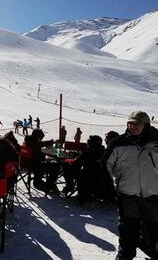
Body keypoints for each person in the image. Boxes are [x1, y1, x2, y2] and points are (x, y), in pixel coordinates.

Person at [106, 111, 158, 260]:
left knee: (154, 231)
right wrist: (110, 191)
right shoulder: (118, 143)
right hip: (128, 195)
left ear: (146, 125)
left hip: (154, 197)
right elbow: (105, 167)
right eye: (130, 124)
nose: (132, 127)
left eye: (136, 124)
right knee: (128, 231)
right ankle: (125, 256)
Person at [62, 135, 105, 202]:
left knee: (66, 166)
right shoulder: (104, 152)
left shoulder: (88, 152)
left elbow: (76, 163)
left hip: (86, 175)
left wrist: (68, 162)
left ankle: (69, 185)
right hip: (99, 175)